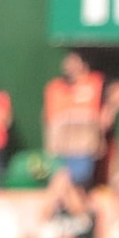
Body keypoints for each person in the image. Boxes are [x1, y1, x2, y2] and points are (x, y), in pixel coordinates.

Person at [43, 52, 105, 188]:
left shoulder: (95, 83)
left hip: (83, 147)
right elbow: (49, 120)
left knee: (77, 181)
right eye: (67, 63)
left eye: (74, 62)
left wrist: (100, 137)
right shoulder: (55, 88)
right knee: (61, 181)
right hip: (61, 148)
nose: (69, 66)